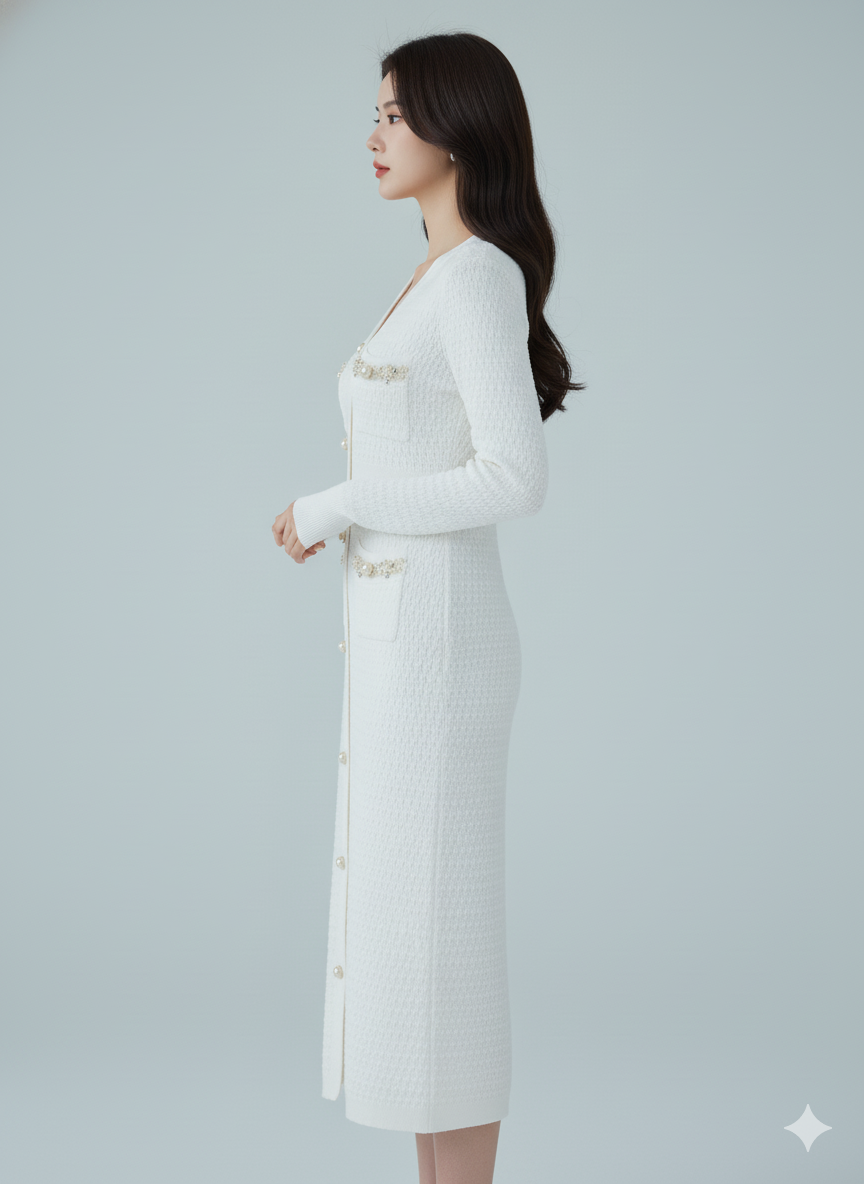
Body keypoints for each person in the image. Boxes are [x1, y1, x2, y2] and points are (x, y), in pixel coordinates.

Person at [271, 31, 584, 1184]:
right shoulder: (434, 272)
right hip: (400, 648)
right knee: (407, 945)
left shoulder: (480, 274)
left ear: (458, 129)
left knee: (437, 942)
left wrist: (342, 501)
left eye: (395, 115)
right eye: (376, 113)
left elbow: (512, 476)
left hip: (443, 651)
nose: (373, 135)